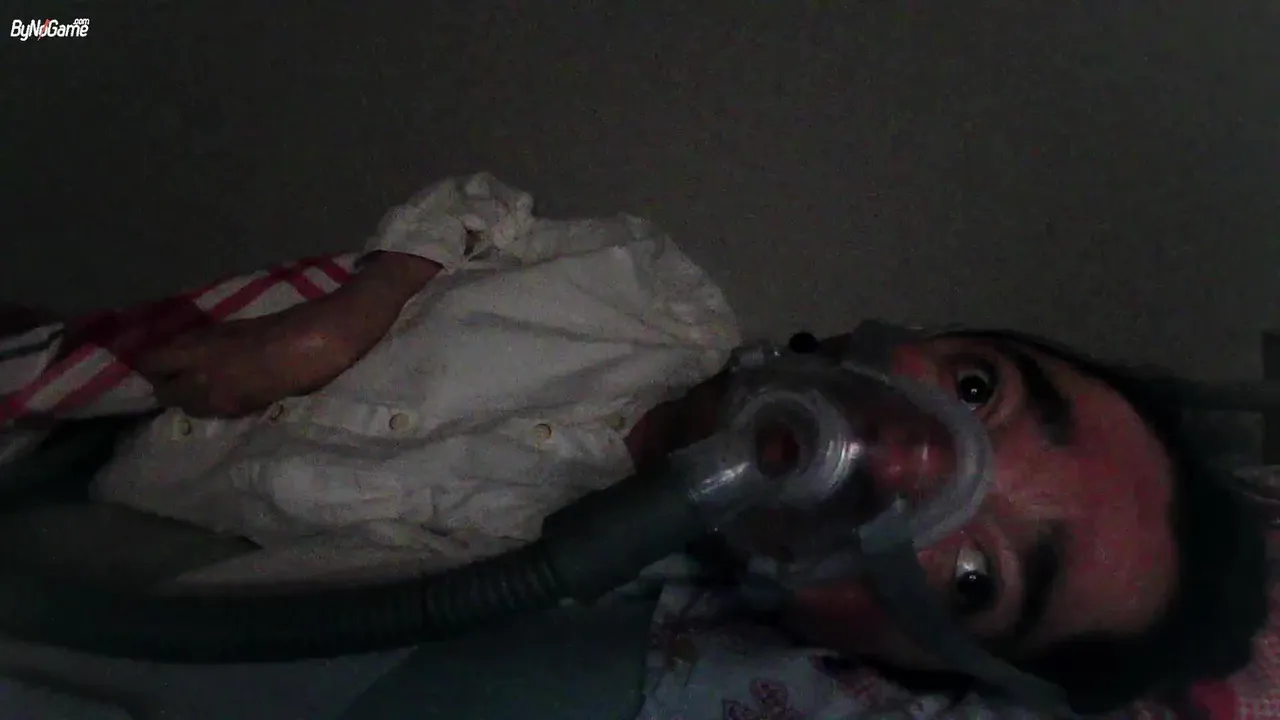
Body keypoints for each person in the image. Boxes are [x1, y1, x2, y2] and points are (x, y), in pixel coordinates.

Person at [43, 174, 1272, 713]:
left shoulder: (520, 595)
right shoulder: (648, 292)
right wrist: (342, 320)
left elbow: (199, 622)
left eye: (971, 576)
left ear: (885, 659)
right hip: (104, 375)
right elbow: (478, 213)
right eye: (974, 389)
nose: (910, 459)